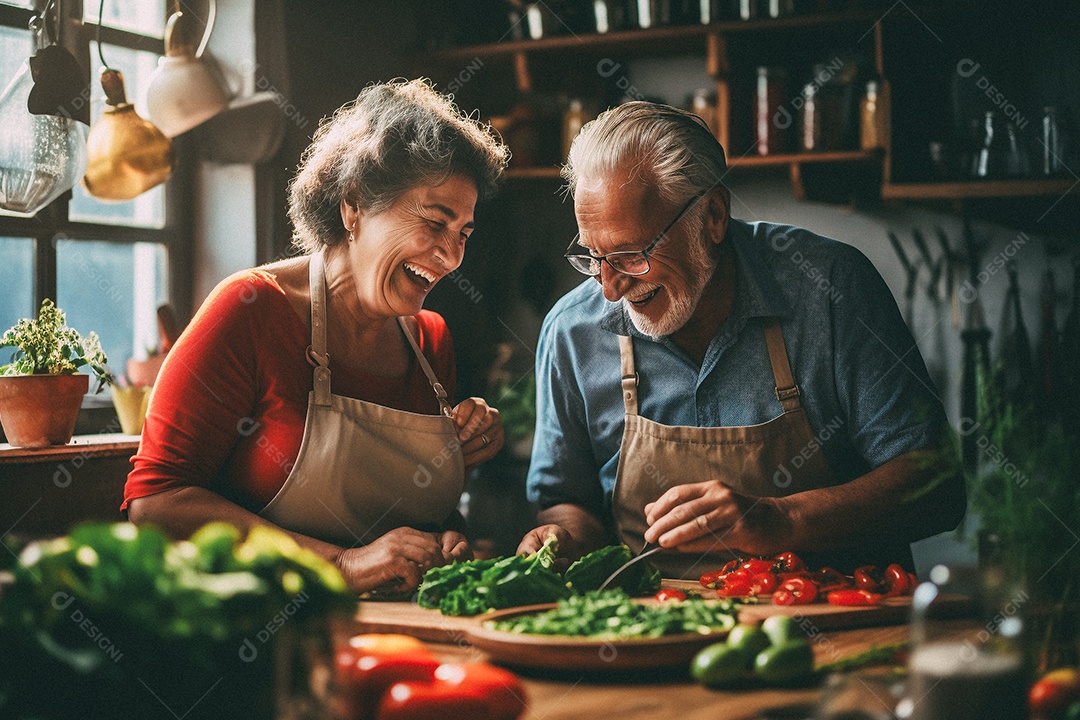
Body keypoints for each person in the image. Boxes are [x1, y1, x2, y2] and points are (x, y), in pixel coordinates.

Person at [517, 101, 964, 578]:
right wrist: (561, 537)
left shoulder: (830, 289)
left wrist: (782, 520)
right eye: (593, 255)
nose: (609, 287)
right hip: (648, 633)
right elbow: (566, 500)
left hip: (830, 621)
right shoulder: (571, 331)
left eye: (631, 254)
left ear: (712, 216)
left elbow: (935, 485)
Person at [125, 79, 510, 594]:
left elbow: (409, 522)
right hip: (268, 635)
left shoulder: (429, 341)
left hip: (398, 629)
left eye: (463, 232)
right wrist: (342, 566)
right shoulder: (252, 310)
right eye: (435, 222)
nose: (451, 255)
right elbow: (157, 504)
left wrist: (445, 540)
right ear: (353, 208)